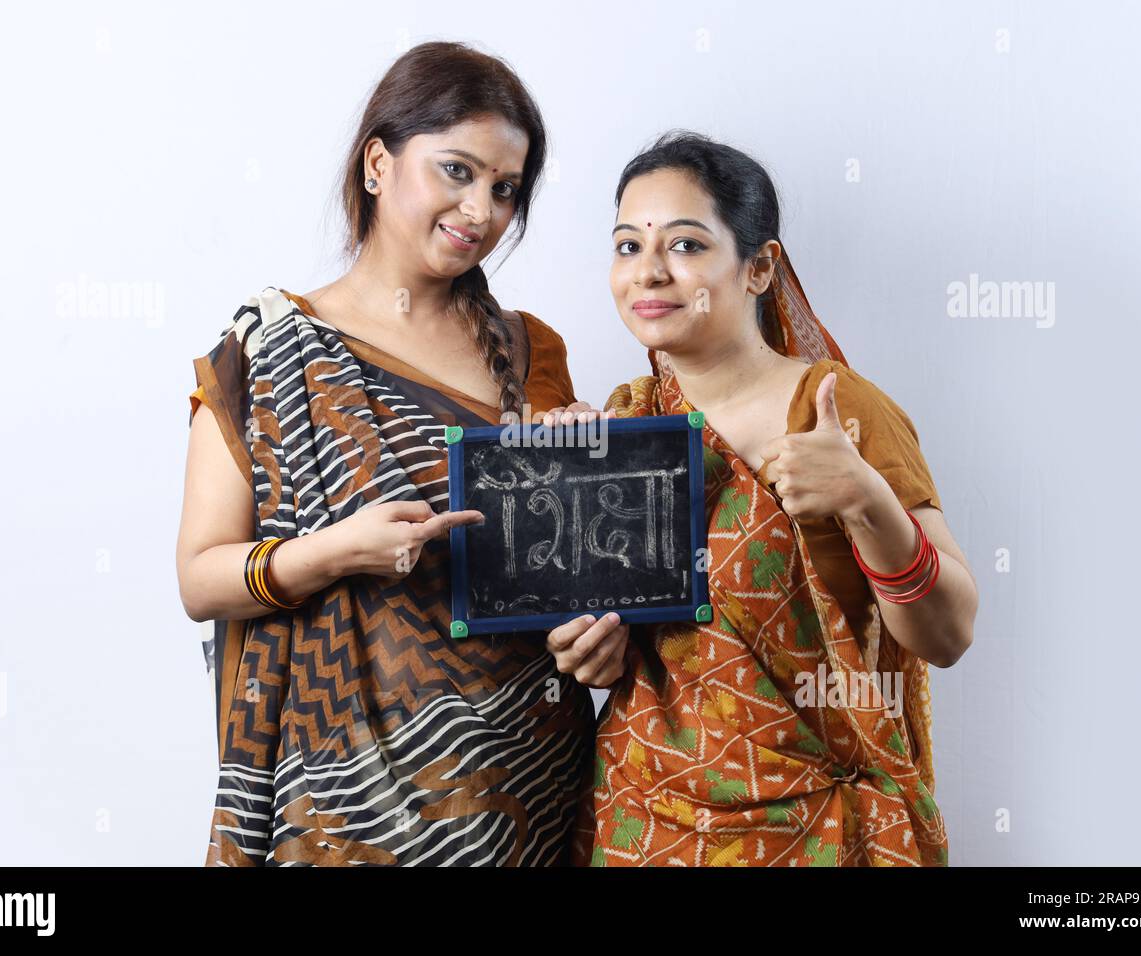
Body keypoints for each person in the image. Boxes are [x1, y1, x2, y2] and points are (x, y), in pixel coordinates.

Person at [175, 41, 595, 866]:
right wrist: (336, 553)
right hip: (341, 798)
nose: (481, 210)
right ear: (377, 163)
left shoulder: (528, 351)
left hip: (525, 785)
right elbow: (199, 578)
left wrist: (599, 608)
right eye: (457, 171)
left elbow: (569, 585)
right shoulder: (268, 355)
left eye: (505, 189)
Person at [548, 131, 978, 866]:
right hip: (643, 823)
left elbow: (949, 635)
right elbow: (623, 653)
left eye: (684, 245)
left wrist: (869, 502)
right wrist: (587, 653)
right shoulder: (622, 425)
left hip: (814, 831)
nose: (648, 272)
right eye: (627, 247)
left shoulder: (836, 412)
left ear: (758, 266)